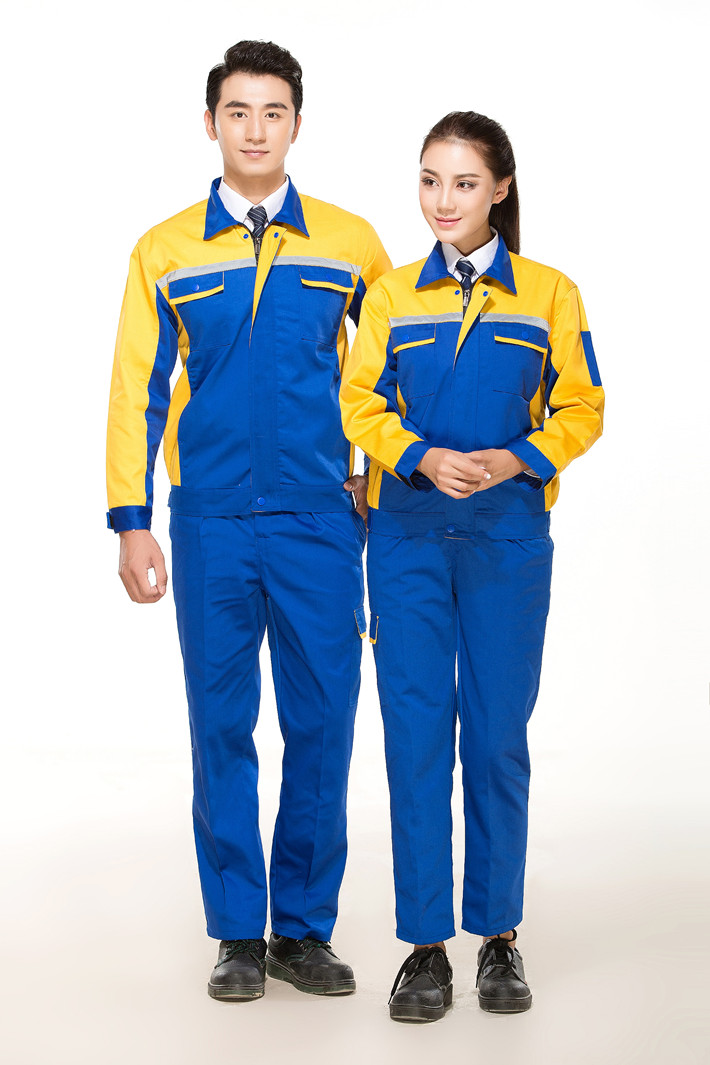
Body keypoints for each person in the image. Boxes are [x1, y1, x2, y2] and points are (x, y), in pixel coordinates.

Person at [106, 40, 391, 1002]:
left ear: (297, 124)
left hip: (321, 521)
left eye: (274, 112)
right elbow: (137, 389)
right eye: (239, 111)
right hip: (211, 522)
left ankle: (301, 929)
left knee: (323, 724)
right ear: (210, 123)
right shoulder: (165, 249)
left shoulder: (349, 244)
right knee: (221, 726)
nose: (256, 130)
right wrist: (132, 518)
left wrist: (378, 480)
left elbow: (390, 372)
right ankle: (236, 931)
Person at [340, 111, 604, 1021]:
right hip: (406, 540)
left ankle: (498, 934)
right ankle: (424, 947)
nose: (442, 200)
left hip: (507, 541)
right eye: (428, 180)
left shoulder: (551, 293)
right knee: (416, 740)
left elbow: (583, 405)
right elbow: (358, 403)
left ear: (500, 189)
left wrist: (517, 459)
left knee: (494, 738)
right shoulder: (391, 297)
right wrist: (416, 454)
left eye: (462, 182)